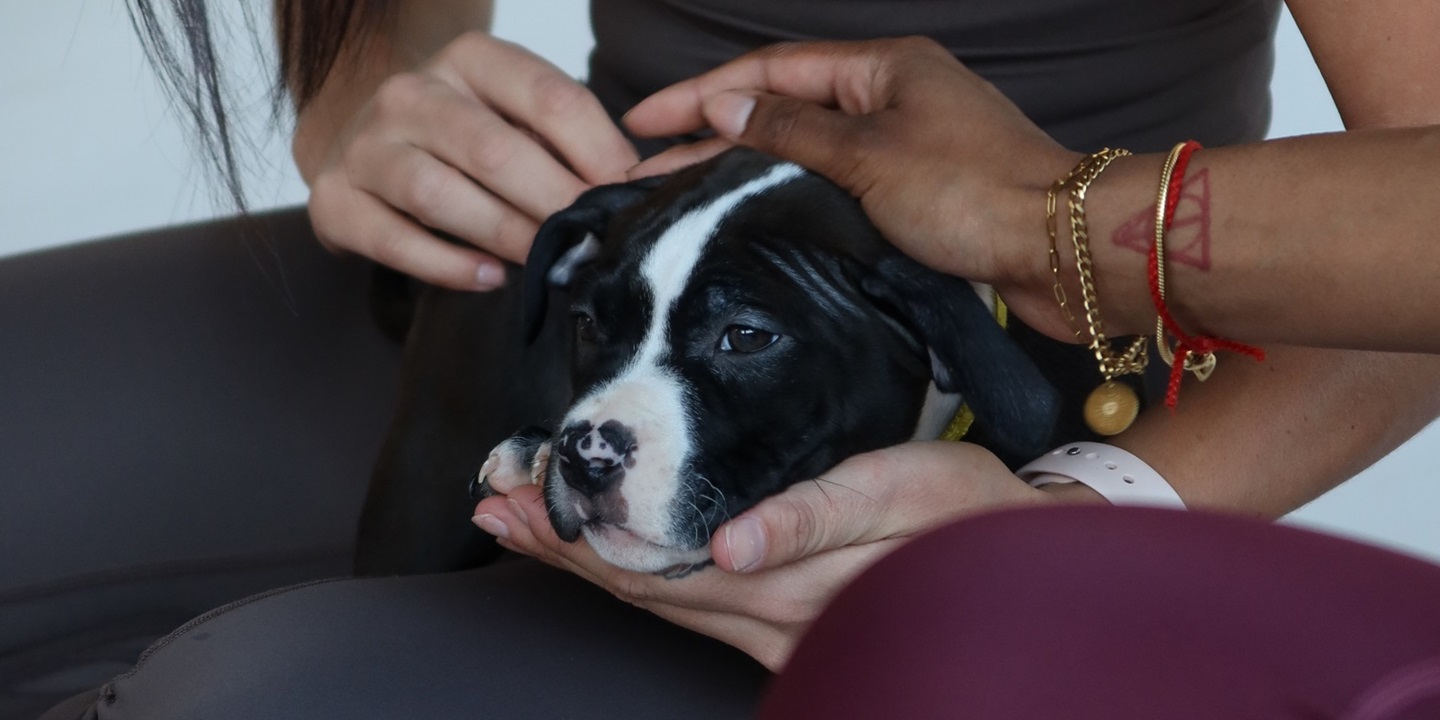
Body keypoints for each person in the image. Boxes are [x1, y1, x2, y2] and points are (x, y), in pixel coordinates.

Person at [38, 1, 1439, 717]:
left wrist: (1086, 512)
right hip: (570, 300)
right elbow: (379, 47)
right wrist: (361, 97)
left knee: (261, 701)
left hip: (1057, 425)